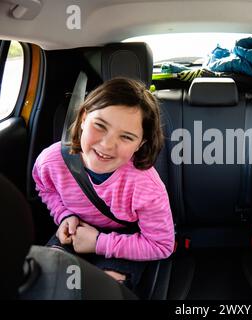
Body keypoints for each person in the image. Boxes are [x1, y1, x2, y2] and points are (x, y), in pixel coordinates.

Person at [32, 77, 174, 294]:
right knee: (50, 280)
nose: (107, 144)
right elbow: (45, 188)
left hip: (127, 239)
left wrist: (99, 242)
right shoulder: (50, 161)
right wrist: (64, 215)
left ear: (140, 144)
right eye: (100, 125)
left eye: (126, 137)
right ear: (83, 118)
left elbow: (161, 245)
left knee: (103, 288)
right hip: (76, 227)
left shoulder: (146, 187)